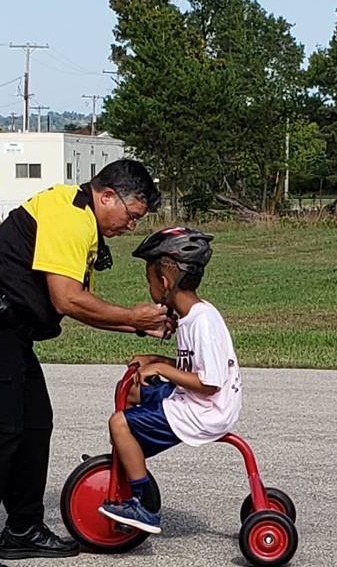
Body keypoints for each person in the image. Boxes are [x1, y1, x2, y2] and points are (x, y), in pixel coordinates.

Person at [0, 159, 170, 567]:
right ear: (107, 196)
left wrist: (139, 326)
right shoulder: (71, 217)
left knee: (35, 424)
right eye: (132, 215)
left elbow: (79, 304)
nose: (131, 226)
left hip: (8, 328)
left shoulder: (81, 217)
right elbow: (68, 299)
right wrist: (133, 317)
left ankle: (22, 529)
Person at [98, 227, 242, 534]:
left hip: (206, 410)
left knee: (119, 424)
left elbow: (210, 382)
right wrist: (157, 360)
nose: (148, 286)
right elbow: (194, 366)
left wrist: (161, 370)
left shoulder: (203, 322)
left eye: (148, 280)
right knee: (133, 390)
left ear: (164, 282)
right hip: (196, 400)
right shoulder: (190, 316)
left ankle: (146, 505)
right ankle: (130, 459)